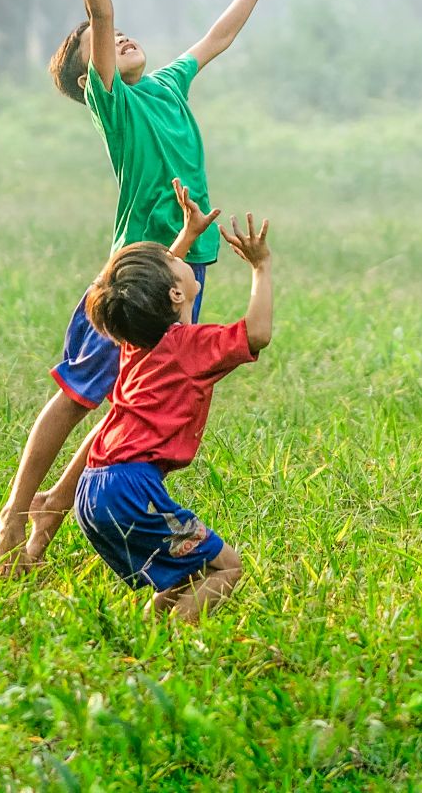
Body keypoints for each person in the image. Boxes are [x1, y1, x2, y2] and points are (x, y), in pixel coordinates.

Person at [0, 0, 295, 573]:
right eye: (99, 44)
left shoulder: (164, 85)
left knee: (130, 406)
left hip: (185, 269)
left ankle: (44, 531)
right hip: (136, 273)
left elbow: (216, 38)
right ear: (86, 76)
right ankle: (16, 513)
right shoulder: (116, 104)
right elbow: (99, 13)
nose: (119, 36)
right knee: (77, 394)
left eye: (123, 34)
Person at [57, 193, 272, 623]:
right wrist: (261, 268)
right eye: (177, 263)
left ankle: (148, 640)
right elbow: (258, 334)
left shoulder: (137, 340)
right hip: (130, 489)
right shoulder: (189, 348)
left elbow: (151, 293)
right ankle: (174, 648)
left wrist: (187, 236)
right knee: (226, 568)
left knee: (184, 578)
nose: (182, 261)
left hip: (92, 488)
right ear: (176, 291)